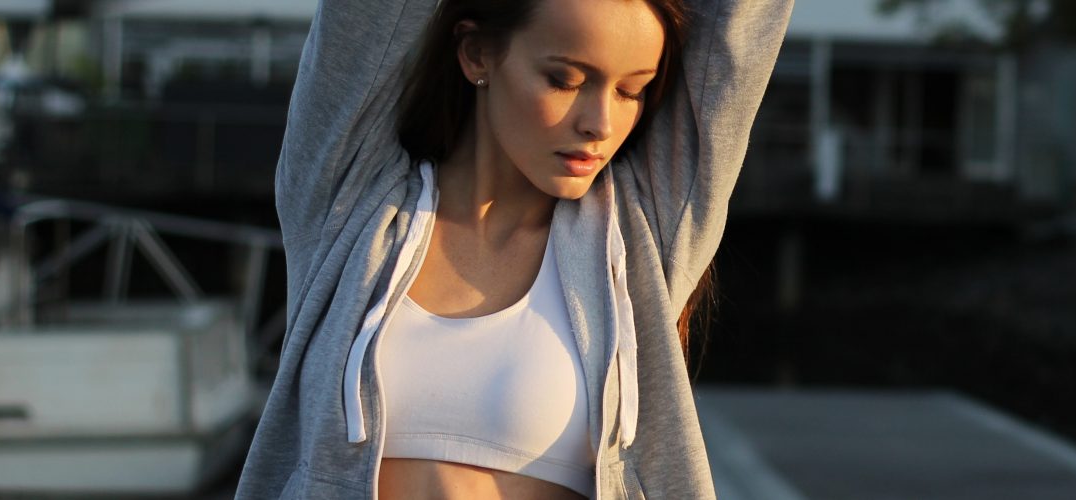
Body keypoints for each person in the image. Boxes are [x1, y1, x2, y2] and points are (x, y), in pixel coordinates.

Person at [233, 0, 791, 498]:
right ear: (477, 55)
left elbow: (740, 30)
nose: (600, 123)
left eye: (631, 91)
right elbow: (366, 24)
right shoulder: (350, 207)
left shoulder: (638, 238)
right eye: (565, 79)